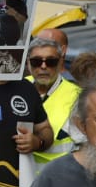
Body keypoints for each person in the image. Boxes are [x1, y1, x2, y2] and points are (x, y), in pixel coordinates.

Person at [27, 36, 80, 164]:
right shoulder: (17, 87)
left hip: (58, 177)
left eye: (51, 62)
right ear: (28, 62)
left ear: (61, 63)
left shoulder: (78, 95)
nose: (43, 66)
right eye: (36, 61)